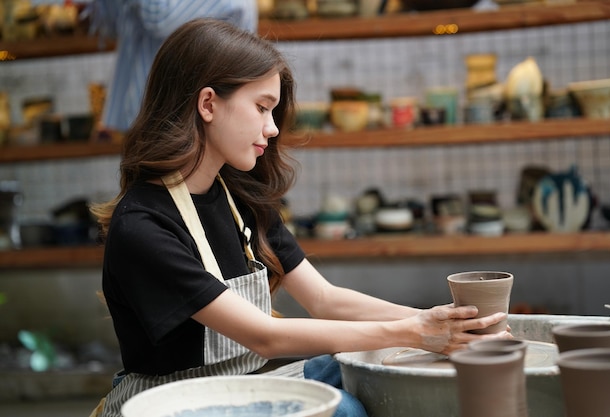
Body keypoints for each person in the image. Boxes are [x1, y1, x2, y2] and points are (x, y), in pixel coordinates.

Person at [89, 18, 511, 417]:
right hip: (174, 401)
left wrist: (447, 324)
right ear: (208, 104)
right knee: (345, 408)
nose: (272, 129)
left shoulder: (239, 198)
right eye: (262, 107)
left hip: (247, 382)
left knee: (376, 364)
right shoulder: (143, 225)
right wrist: (416, 331)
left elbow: (326, 300)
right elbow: (264, 337)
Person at [90, 0, 257, 133]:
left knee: (179, 175)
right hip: (149, 115)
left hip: (186, 122)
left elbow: (159, 17)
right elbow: (111, 25)